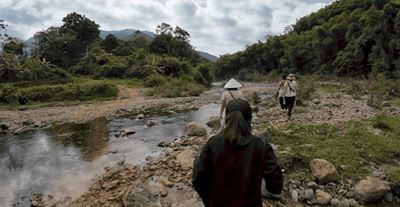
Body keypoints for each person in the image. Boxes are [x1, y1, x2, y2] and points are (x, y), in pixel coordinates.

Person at [193, 99, 283, 207]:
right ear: (249, 119)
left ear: (226, 119)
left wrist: (209, 200)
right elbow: (275, 178)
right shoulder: (261, 145)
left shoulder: (213, 144)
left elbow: (198, 178)